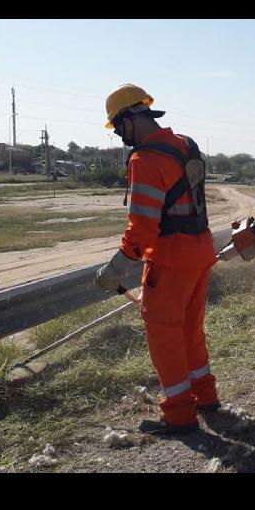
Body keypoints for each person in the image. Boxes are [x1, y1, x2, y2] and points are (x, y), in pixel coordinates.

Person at [94, 83, 219, 435]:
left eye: (118, 128)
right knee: (190, 330)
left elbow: (142, 230)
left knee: (164, 335)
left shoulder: (145, 159)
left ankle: (179, 415)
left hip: (171, 260)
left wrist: (114, 270)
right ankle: (205, 397)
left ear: (130, 119)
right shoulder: (185, 145)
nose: (119, 136)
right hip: (200, 251)